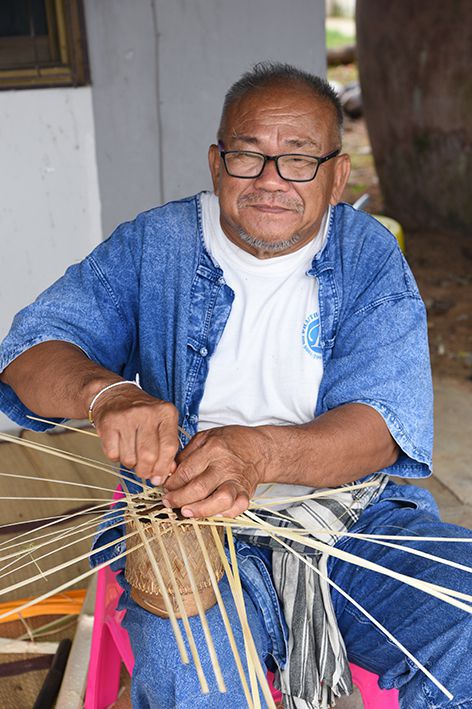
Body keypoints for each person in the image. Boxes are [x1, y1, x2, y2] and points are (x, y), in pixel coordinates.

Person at [0, 62, 470, 709]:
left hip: (355, 521)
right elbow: (30, 352)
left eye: (298, 159)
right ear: (217, 164)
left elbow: (382, 428)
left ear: (337, 176)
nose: (271, 180)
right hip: (185, 526)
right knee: (196, 680)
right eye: (249, 155)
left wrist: (259, 454)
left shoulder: (367, 255)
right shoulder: (156, 244)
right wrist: (105, 393)